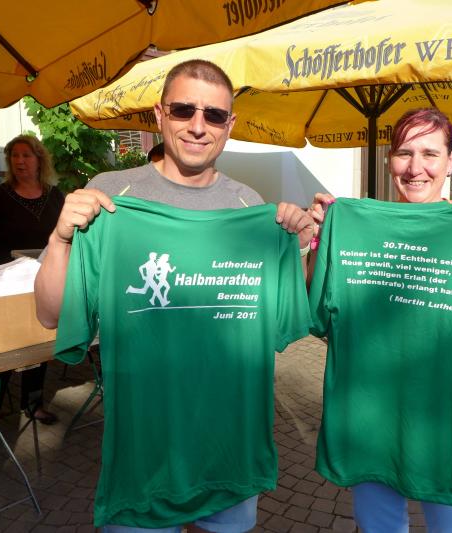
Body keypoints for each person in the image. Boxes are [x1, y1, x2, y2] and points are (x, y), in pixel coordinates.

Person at [34, 59, 314, 532]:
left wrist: (300, 247)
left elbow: (286, 316)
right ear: (159, 115)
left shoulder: (250, 208)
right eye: (184, 110)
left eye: (214, 115)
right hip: (144, 463)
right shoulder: (111, 198)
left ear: (230, 125)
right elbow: (49, 314)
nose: (198, 126)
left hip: (230, 459)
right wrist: (60, 239)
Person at [307, 108, 452, 533]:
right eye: (404, 153)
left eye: (430, 154)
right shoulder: (353, 226)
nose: (416, 167)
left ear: (451, 161)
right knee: (379, 528)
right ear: (389, 160)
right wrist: (320, 243)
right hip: (372, 412)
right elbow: (314, 309)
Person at [0, 135, 64, 448]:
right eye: (14, 156)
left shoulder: (55, 197)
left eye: (26, 155)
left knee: (39, 347)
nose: (20, 161)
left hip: (43, 286)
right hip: (5, 289)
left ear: (40, 159)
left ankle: (33, 404)